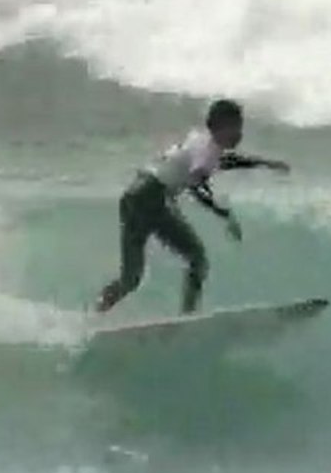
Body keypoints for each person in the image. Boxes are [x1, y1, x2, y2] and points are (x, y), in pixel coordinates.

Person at [95, 99, 290, 314]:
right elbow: (197, 185)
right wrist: (223, 213)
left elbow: (225, 161)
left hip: (133, 197)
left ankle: (98, 310)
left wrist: (263, 163)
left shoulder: (200, 141)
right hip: (152, 198)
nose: (239, 133)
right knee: (197, 259)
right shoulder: (207, 151)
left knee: (130, 279)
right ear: (220, 126)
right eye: (236, 127)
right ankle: (187, 317)